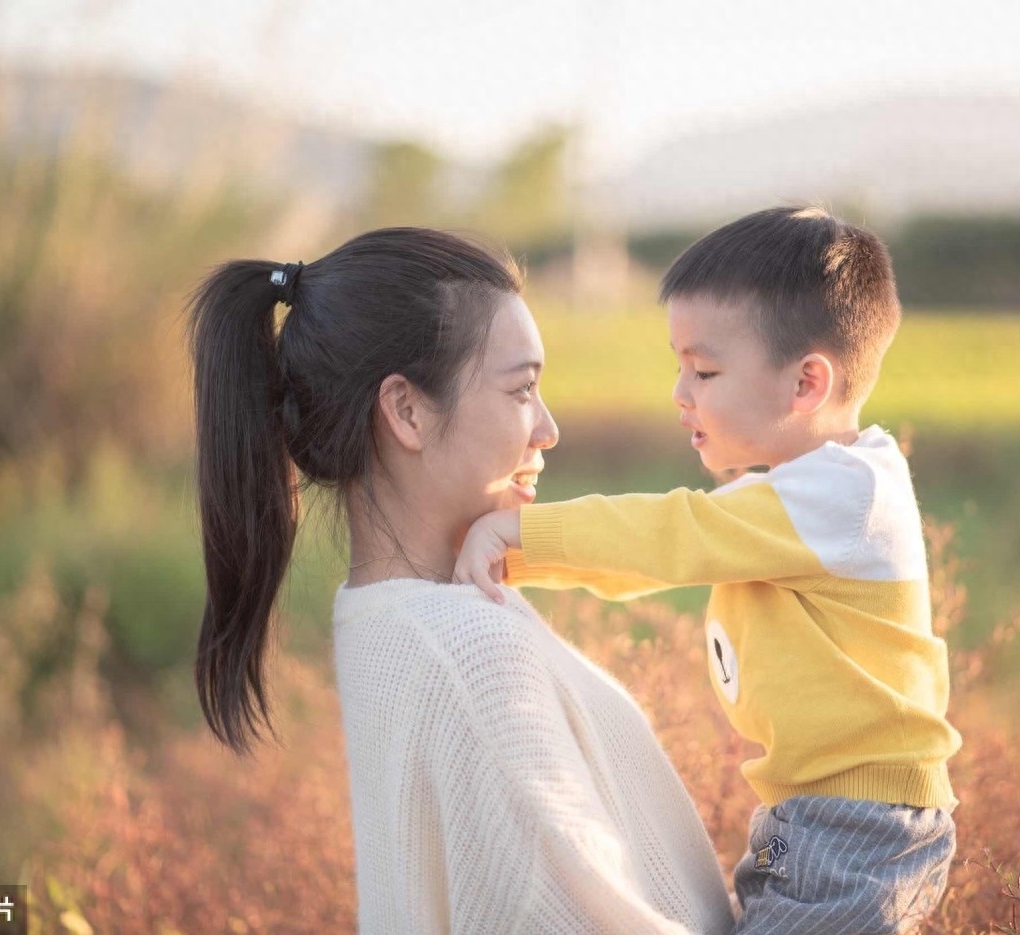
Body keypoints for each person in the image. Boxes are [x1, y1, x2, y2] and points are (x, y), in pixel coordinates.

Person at [187, 228, 735, 934]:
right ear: (407, 410)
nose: (549, 427)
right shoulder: (472, 650)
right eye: (523, 388)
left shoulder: (378, 619)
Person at [454, 207, 963, 934]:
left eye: (706, 369)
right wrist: (513, 558)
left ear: (806, 384)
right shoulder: (800, 498)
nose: (680, 391)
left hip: (860, 831)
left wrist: (516, 535)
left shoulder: (843, 495)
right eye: (679, 365)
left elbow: (671, 536)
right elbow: (656, 558)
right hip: (802, 815)